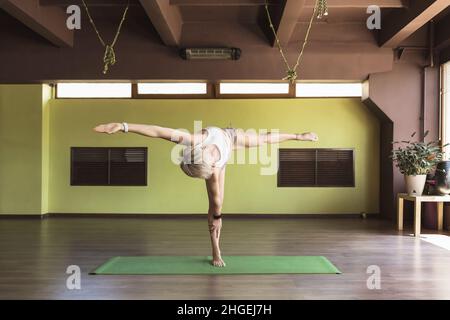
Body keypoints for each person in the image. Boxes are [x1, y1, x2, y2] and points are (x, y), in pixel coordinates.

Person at [94, 122, 319, 267]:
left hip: (230, 138)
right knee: (217, 204)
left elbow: (157, 131)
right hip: (221, 160)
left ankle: (216, 237)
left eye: (211, 166)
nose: (212, 170)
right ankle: (216, 248)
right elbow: (210, 173)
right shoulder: (212, 169)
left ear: (205, 156)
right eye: (210, 170)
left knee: (260, 141)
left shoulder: (196, 141)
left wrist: (122, 125)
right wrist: (214, 177)